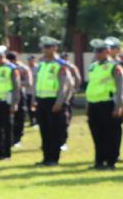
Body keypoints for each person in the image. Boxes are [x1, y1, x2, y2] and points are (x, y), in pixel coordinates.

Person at [30, 37, 73, 166]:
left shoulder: (60, 64)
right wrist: (34, 99)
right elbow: (37, 83)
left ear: (55, 48)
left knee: (54, 130)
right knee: (44, 130)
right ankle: (46, 157)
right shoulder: (42, 64)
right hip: (41, 100)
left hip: (54, 101)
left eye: (48, 47)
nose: (45, 50)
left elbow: (65, 85)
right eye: (44, 47)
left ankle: (53, 158)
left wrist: (60, 102)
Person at [85, 39, 123, 170]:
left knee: (110, 134)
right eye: (95, 51)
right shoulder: (93, 67)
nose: (97, 54)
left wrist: (118, 106)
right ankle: (99, 161)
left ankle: (110, 162)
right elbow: (91, 86)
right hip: (94, 104)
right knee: (97, 134)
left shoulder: (115, 67)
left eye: (100, 51)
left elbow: (121, 88)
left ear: (107, 52)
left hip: (108, 104)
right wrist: (87, 105)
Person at [105, 36, 123, 163]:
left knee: (115, 129)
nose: (108, 50)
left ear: (118, 50)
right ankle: (105, 154)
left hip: (116, 101)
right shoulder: (99, 64)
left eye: (112, 48)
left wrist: (122, 104)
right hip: (103, 101)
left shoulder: (122, 65)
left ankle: (114, 154)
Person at [6, 52, 31, 148]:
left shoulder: (23, 68)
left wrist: (15, 82)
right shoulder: (5, 68)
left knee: (19, 117)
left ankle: (17, 139)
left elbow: (28, 82)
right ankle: (9, 138)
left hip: (20, 94)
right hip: (7, 94)